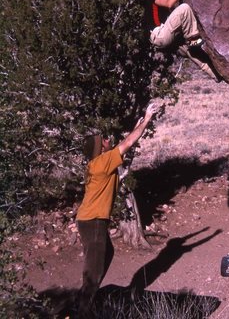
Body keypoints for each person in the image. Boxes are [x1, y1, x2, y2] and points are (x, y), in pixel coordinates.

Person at [76, 102, 158, 318]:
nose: (107, 140)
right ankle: (83, 311)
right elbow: (128, 143)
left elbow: (126, 140)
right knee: (94, 270)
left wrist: (138, 125)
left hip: (88, 220)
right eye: (103, 140)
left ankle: (85, 300)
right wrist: (147, 118)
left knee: (104, 255)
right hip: (93, 221)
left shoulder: (97, 164)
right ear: (100, 148)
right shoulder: (103, 162)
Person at [137, 0, 221, 81]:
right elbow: (169, 4)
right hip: (160, 35)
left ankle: (216, 75)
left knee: (191, 52)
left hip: (160, 41)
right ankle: (193, 39)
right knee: (184, 8)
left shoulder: (151, 2)